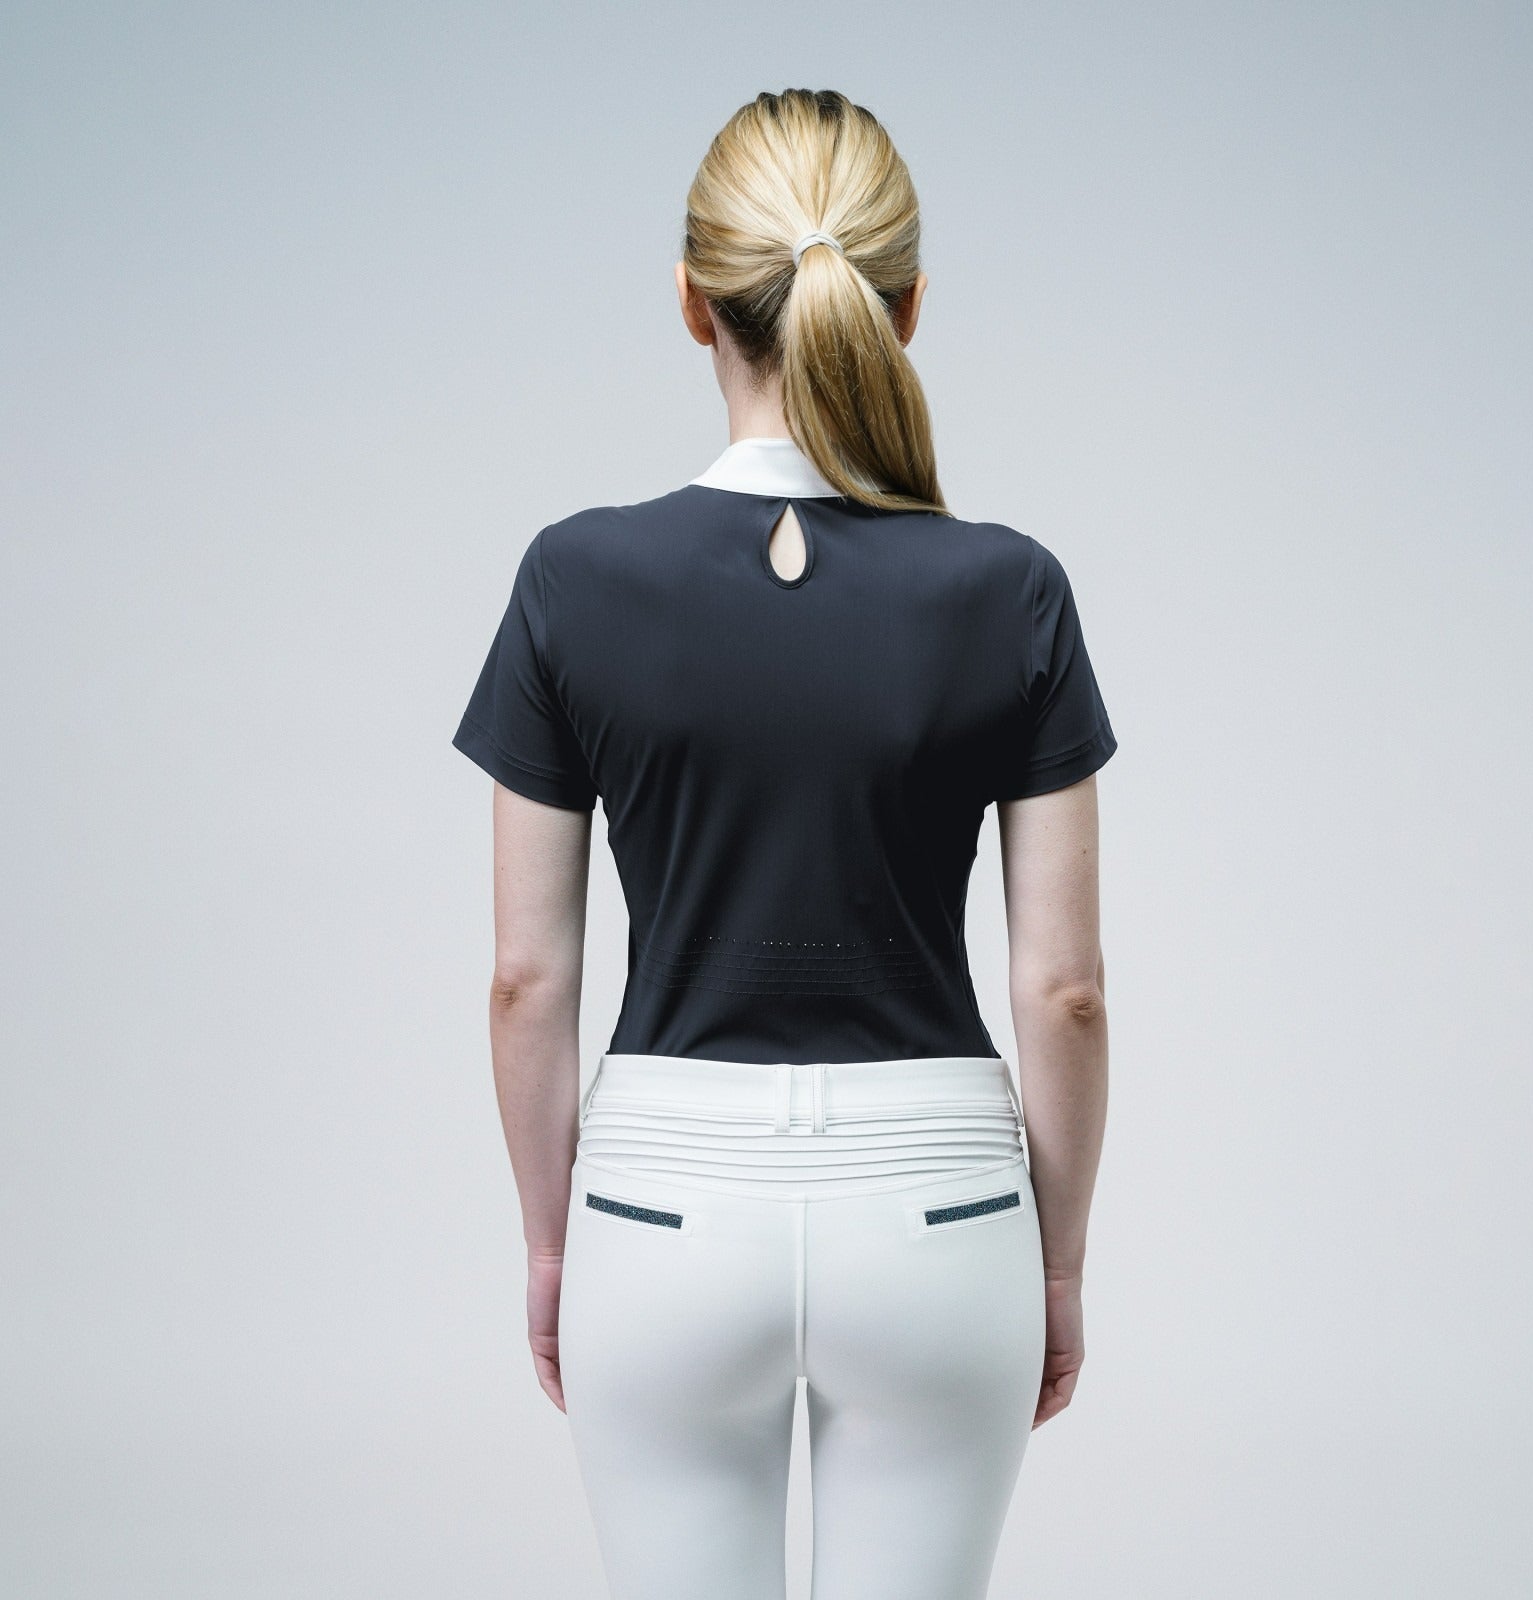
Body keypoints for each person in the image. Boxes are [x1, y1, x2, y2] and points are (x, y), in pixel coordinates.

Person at [451, 86, 1116, 1600]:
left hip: (659, 1206)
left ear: (694, 302)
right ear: (909, 306)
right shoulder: (1011, 590)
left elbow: (525, 981)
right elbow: (1065, 991)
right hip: (942, 1208)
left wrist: (554, 1249)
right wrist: (1058, 1265)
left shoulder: (572, 578)